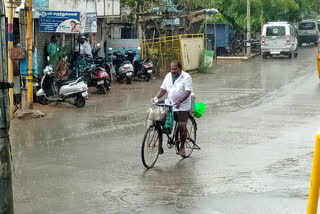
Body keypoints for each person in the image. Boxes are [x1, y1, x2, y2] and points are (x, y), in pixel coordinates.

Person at [153, 60, 192, 157]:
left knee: (181, 125)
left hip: (182, 105)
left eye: (175, 69)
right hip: (170, 104)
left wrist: (180, 101)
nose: (173, 71)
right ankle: (160, 146)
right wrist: (156, 98)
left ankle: (182, 148)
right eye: (171, 69)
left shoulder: (186, 77)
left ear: (180, 68)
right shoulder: (168, 76)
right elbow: (163, 90)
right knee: (158, 121)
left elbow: (188, 92)